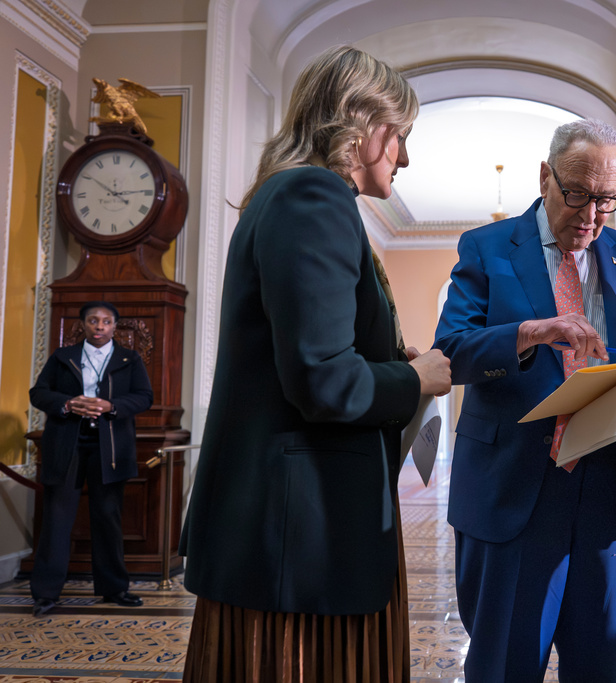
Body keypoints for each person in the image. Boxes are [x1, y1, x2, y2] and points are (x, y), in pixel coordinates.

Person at [179, 45, 451, 682]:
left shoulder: (292, 195)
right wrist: (414, 378)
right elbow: (323, 381)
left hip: (291, 531)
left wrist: (389, 360)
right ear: (360, 125)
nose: (405, 156)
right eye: (400, 135)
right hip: (301, 538)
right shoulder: (313, 195)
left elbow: (308, 355)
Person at [434, 118, 616, 681]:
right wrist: (530, 333)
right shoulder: (486, 247)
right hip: (511, 495)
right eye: (578, 194)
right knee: (504, 668)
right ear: (545, 177)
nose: (591, 216)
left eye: (608, 200)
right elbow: (450, 352)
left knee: (599, 670)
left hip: (605, 502)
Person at [28, 301, 153, 616]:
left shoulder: (130, 359)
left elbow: (144, 397)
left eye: (106, 321)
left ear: (115, 326)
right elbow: (38, 393)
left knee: (108, 517)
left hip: (110, 446)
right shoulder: (62, 357)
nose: (99, 326)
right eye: (93, 321)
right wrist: (68, 404)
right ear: (82, 325)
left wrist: (112, 406)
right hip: (66, 443)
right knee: (57, 518)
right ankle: (45, 593)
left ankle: (114, 589)